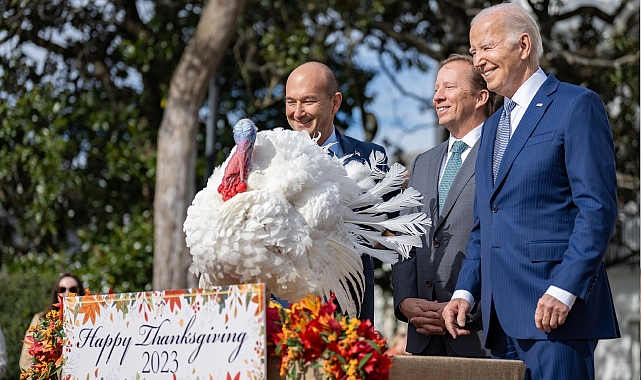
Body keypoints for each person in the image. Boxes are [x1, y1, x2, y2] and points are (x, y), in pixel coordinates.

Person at [442, 3, 619, 379]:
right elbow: (483, 224)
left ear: (523, 45)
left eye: (486, 48)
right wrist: (464, 294)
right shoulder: (491, 127)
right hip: (497, 321)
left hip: (554, 315)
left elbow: (597, 210)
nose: (478, 61)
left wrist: (565, 289)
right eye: (473, 52)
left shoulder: (576, 106)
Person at [392, 54, 494, 357]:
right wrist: (405, 302)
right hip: (423, 336)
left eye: (449, 87)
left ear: (480, 97)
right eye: (436, 88)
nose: (437, 96)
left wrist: (467, 303)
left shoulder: (501, 151)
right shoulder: (423, 162)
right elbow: (404, 239)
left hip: (477, 333)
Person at [284, 61, 388, 323]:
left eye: (308, 101)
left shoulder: (370, 158)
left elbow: (388, 238)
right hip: (282, 308)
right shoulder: (265, 158)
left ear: (335, 103)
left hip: (348, 309)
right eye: (290, 102)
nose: (298, 112)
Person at [20, 273, 84, 372]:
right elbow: (26, 360)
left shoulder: (88, 322)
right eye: (62, 290)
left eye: (73, 290)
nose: (67, 294)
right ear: (56, 293)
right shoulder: (40, 319)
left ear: (80, 292)